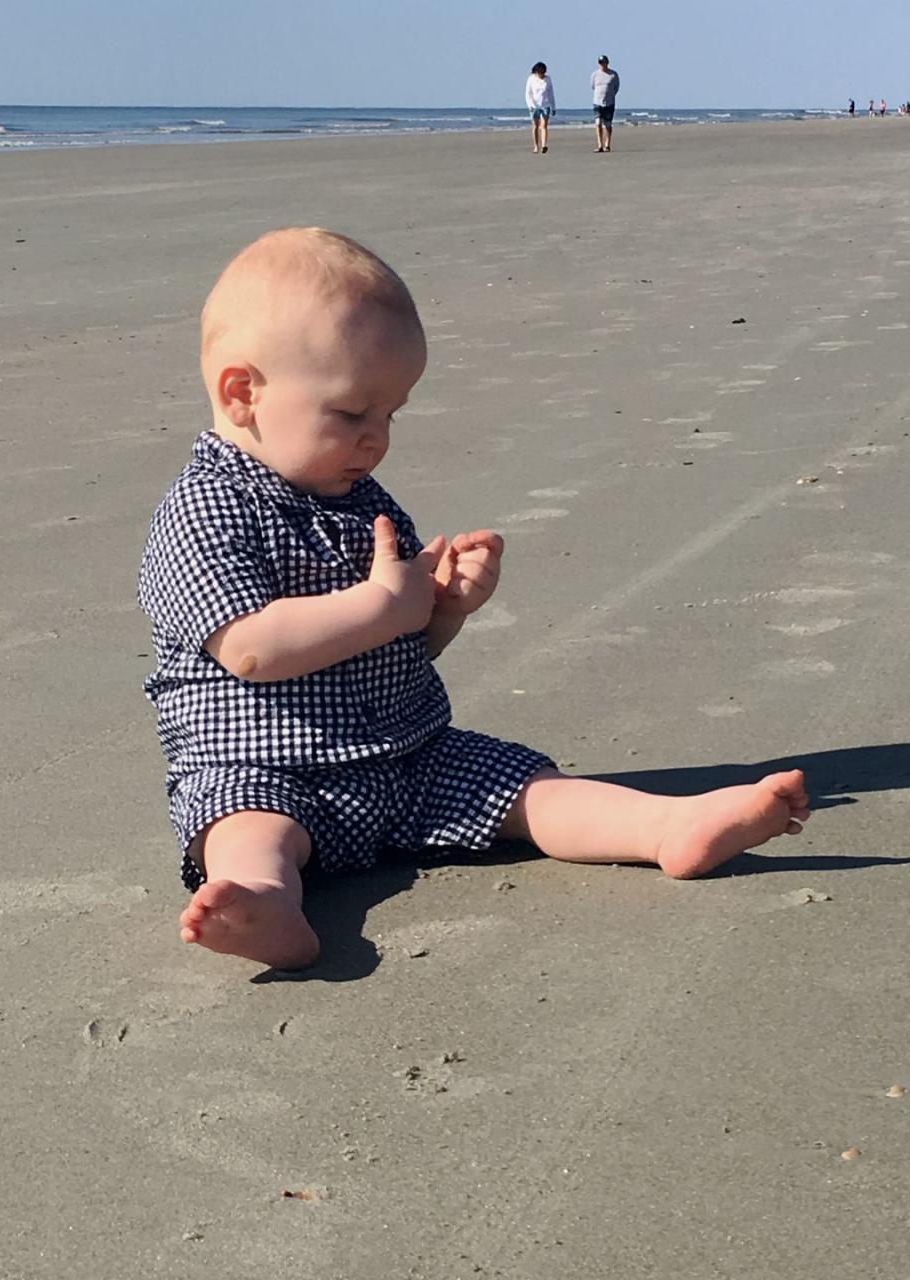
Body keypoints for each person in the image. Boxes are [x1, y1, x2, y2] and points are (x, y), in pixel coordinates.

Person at [138, 227, 811, 970]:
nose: (377, 440)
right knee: (246, 830)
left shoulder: (363, 502)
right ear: (243, 393)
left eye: (392, 415)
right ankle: (263, 902)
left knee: (532, 790)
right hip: (267, 768)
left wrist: (441, 610)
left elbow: (398, 648)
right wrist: (385, 607)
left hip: (409, 757)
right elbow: (252, 648)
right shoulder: (205, 510)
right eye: (352, 413)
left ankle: (668, 827)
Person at [590, 54, 620, 151]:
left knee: (607, 124)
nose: (603, 64)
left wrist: (610, 95)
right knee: (598, 123)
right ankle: (600, 145)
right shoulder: (594, 75)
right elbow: (593, 86)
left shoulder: (613, 75)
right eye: (601, 63)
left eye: (604, 63)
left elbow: (616, 87)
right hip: (597, 102)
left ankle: (607, 144)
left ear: (607, 63)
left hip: (609, 102)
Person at [525, 61, 556, 153]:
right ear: (536, 71)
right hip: (534, 106)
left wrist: (553, 107)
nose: (541, 74)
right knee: (535, 126)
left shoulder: (548, 79)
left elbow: (551, 93)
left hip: (545, 105)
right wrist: (530, 105)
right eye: (539, 72)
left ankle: (544, 145)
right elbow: (528, 93)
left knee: (544, 126)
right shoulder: (531, 79)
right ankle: (535, 146)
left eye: (543, 72)